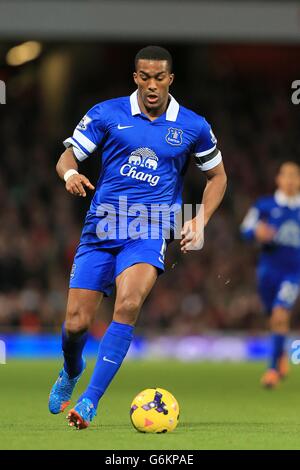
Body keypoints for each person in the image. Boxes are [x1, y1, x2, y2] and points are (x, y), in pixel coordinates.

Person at [49, 45, 227, 429]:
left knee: (128, 304)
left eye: (159, 78)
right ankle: (71, 369)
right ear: (135, 78)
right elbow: (67, 156)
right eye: (144, 77)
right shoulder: (107, 113)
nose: (151, 85)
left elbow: (218, 176)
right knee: (77, 324)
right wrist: (69, 175)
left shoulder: (193, 126)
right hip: (102, 227)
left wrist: (200, 219)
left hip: (149, 229)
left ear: (170, 80)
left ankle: (90, 402)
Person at [241, 161, 300, 388]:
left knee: (279, 314)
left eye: (294, 175)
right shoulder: (264, 205)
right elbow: (245, 230)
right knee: (272, 317)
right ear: (278, 179)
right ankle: (281, 353)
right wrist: (257, 231)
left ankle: (273, 370)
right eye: (286, 175)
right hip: (267, 273)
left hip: (293, 273)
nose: (290, 180)